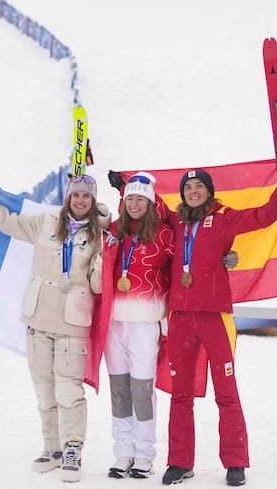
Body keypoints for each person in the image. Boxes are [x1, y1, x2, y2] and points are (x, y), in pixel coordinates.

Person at [121, 160, 277, 487]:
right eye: (188, 187)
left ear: (209, 192)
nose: (193, 191)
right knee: (180, 394)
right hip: (182, 318)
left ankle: (235, 462)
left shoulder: (225, 218)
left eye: (199, 186)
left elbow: (265, 214)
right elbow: (145, 205)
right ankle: (180, 462)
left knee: (226, 391)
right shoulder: (172, 220)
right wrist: (124, 184)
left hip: (215, 317)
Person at [0, 173, 110, 483]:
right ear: (68, 198)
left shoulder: (100, 235)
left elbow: (99, 286)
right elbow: (6, 221)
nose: (80, 201)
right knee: (44, 390)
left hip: (72, 323)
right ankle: (52, 448)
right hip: (37, 319)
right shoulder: (46, 222)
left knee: (69, 391)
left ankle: (73, 448)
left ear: (93, 200)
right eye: (76, 196)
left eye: (86, 196)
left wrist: (104, 255)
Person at [102, 172, 175, 479]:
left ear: (151, 202)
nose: (134, 204)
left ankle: (145, 454)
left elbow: (188, 258)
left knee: (142, 390)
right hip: (114, 324)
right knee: (119, 389)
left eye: (140, 199)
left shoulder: (165, 233)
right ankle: (123, 452)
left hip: (146, 323)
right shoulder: (114, 230)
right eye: (129, 198)